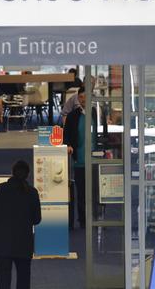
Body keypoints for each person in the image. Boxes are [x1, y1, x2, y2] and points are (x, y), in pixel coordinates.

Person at [0, 160, 42, 289]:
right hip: (23, 243)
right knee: (23, 279)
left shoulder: (1, 188)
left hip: (2, 242)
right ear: (28, 175)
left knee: (4, 280)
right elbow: (37, 219)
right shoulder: (32, 192)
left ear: (12, 172)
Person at [63, 87, 97, 230]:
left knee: (95, 191)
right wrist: (69, 145)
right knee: (81, 192)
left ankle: (95, 218)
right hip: (79, 161)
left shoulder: (96, 114)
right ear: (78, 98)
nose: (84, 99)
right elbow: (67, 135)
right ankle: (83, 219)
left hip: (96, 159)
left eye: (86, 96)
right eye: (81, 97)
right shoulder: (73, 116)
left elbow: (103, 132)